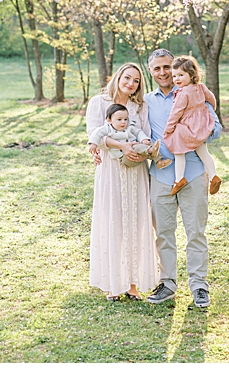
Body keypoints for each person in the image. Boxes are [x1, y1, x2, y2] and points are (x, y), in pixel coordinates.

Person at [143, 48, 221, 309]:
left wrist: (194, 133)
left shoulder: (196, 91)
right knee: (163, 233)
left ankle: (199, 285)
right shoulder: (146, 101)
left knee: (195, 232)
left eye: (167, 67)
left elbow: (216, 128)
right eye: (157, 68)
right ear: (151, 71)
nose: (164, 73)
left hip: (194, 173)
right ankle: (167, 282)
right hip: (162, 175)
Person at [86, 63, 159, 301]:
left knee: (135, 221)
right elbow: (95, 136)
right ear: (118, 77)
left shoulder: (140, 106)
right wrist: (121, 146)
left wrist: (143, 150)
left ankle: (133, 283)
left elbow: (144, 132)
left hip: (135, 169)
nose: (131, 83)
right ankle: (112, 282)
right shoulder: (99, 102)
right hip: (110, 169)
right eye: (127, 78)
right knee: (113, 220)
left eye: (136, 80)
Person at [163, 55, 221, 196]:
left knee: (178, 151)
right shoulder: (200, 87)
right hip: (202, 126)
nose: (177, 79)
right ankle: (214, 176)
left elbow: (175, 113)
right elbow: (211, 98)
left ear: (192, 74)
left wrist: (168, 130)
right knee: (203, 152)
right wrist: (209, 109)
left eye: (181, 75)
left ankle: (179, 179)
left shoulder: (183, 93)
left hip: (189, 127)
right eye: (174, 75)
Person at [88, 103, 165, 168]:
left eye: (125, 119)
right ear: (109, 120)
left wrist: (144, 139)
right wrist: (93, 144)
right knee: (136, 146)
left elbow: (138, 132)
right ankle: (151, 150)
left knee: (147, 143)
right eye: (119, 119)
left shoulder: (130, 127)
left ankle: (159, 162)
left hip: (138, 154)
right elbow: (96, 133)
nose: (123, 122)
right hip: (124, 158)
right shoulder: (107, 128)